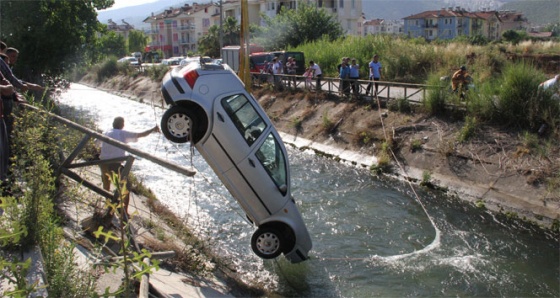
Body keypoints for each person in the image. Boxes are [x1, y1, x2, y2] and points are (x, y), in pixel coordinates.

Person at [97, 116, 159, 216]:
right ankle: (123, 211)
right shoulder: (122, 133)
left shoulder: (106, 132)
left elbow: (97, 144)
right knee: (126, 187)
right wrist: (152, 129)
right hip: (115, 164)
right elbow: (140, 135)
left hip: (103, 162)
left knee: (106, 184)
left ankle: (108, 205)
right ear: (122, 125)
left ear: (113, 123)